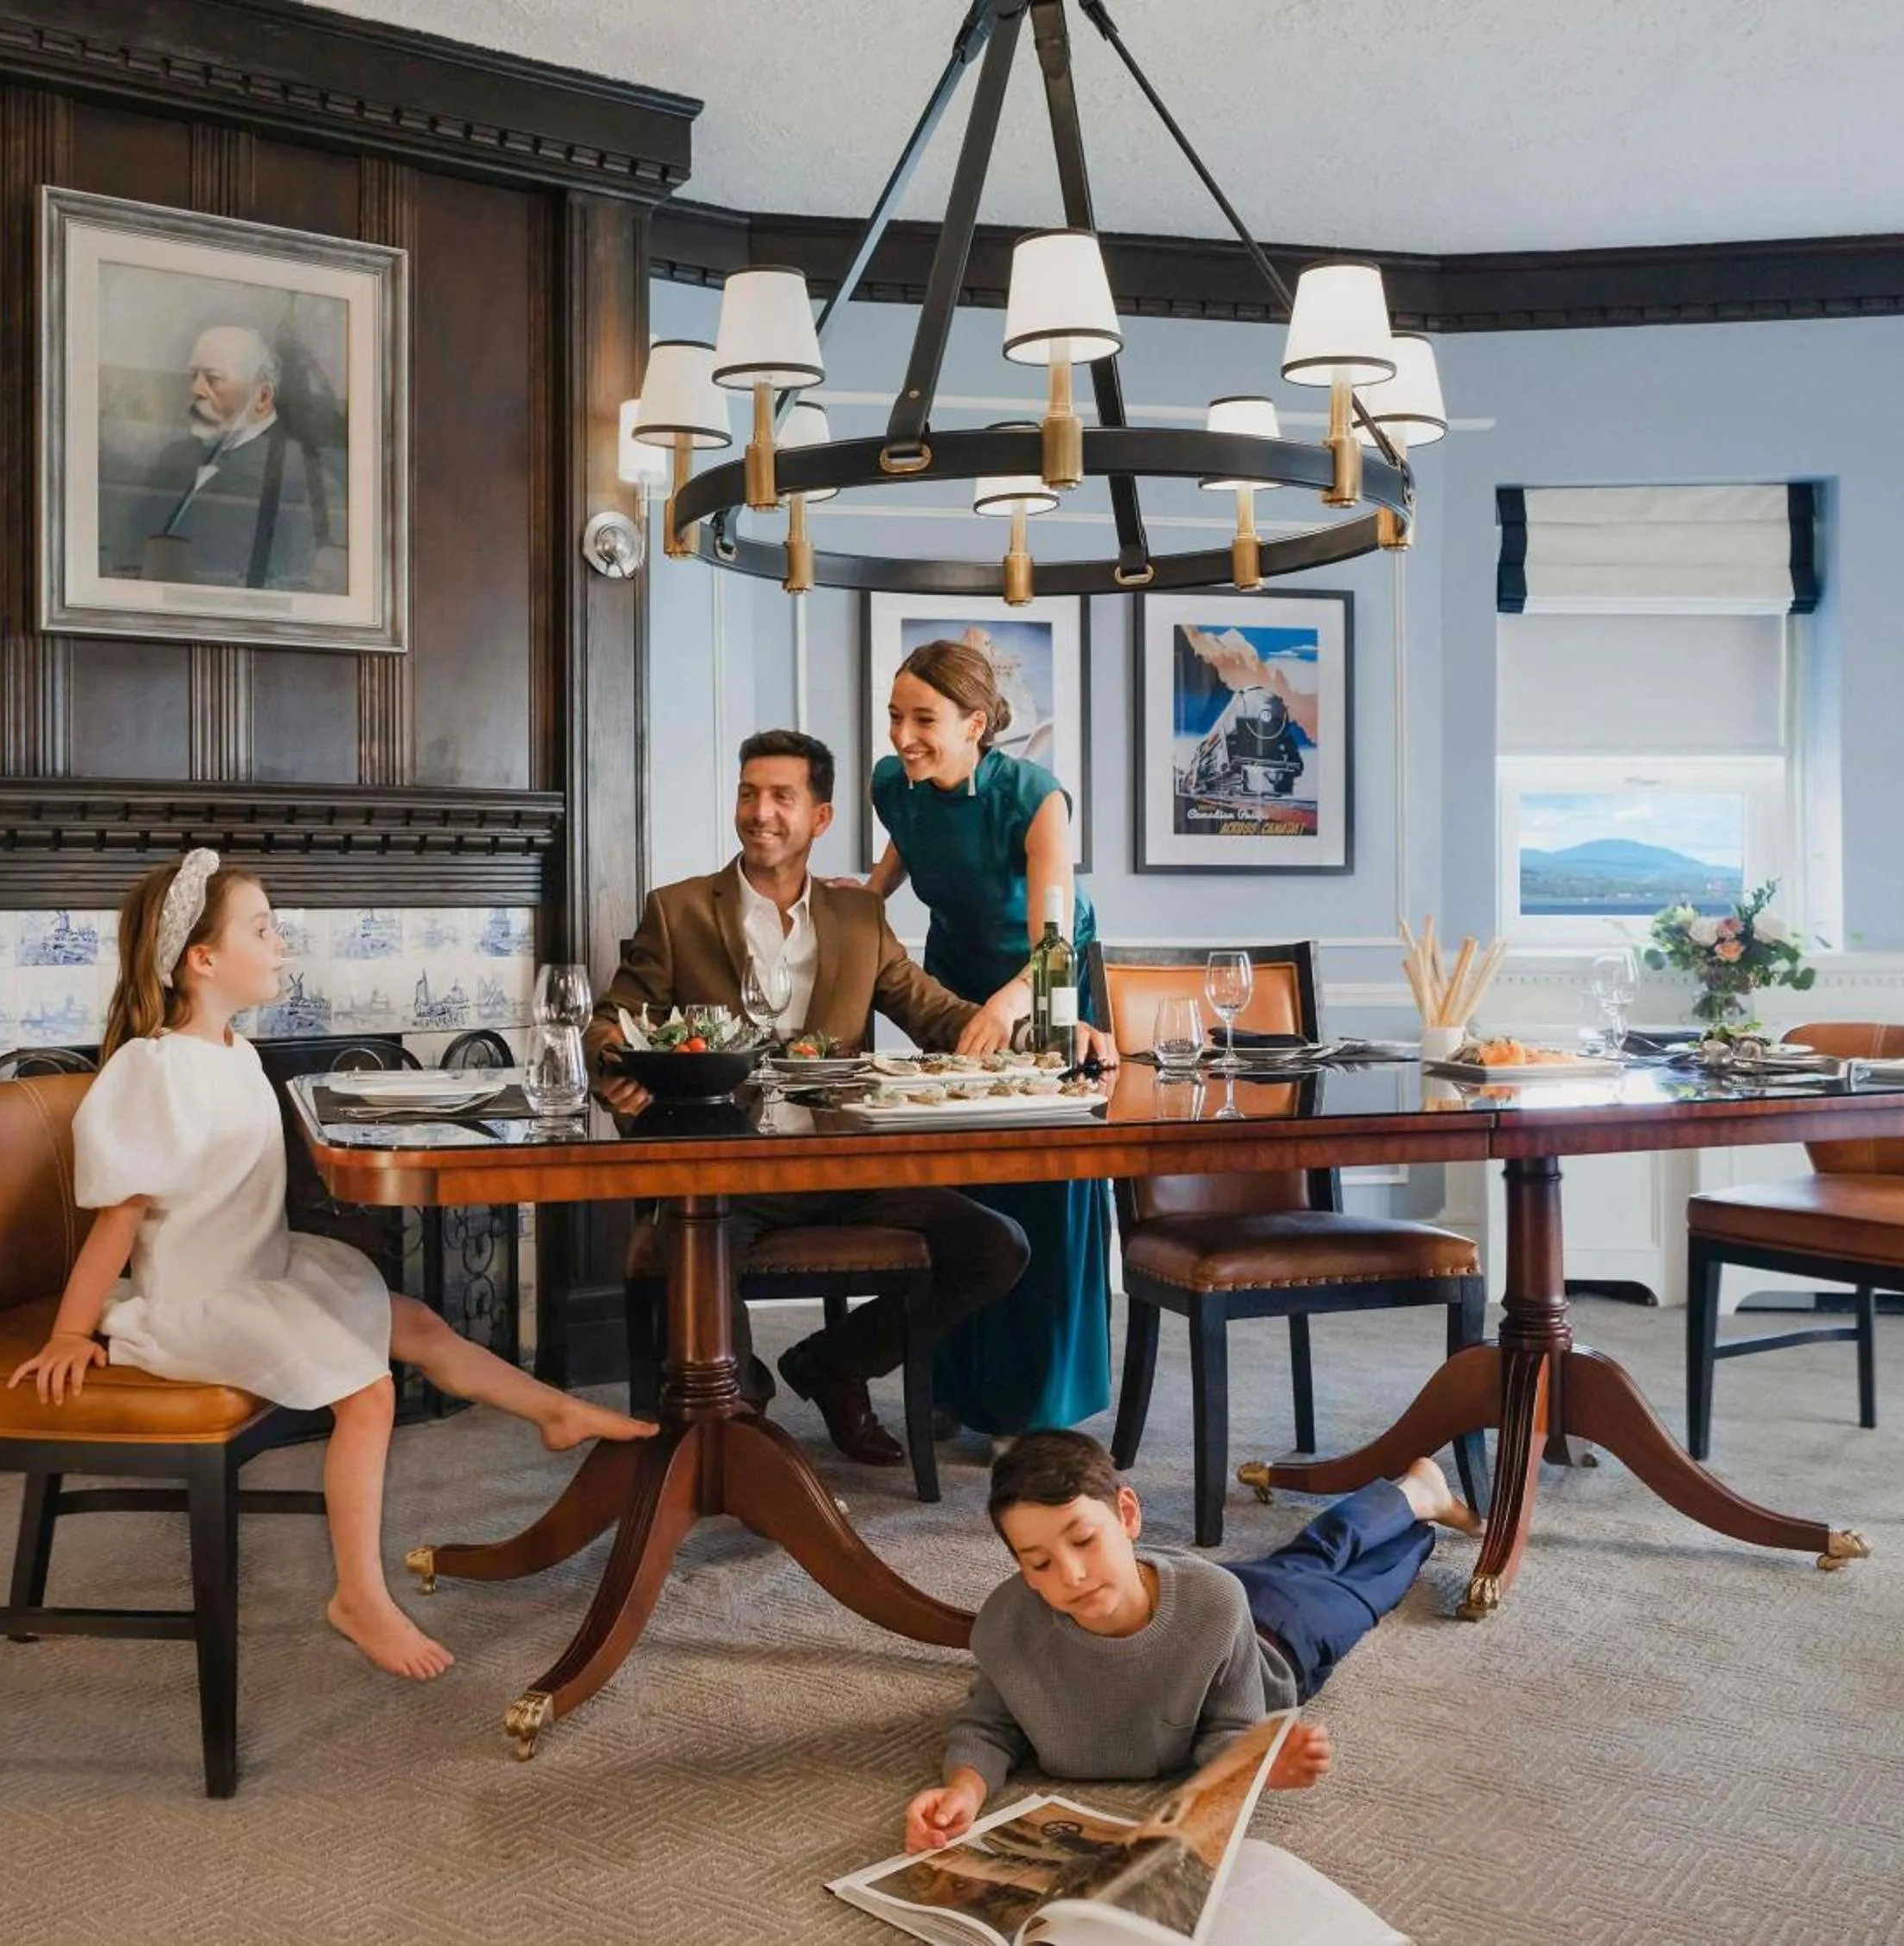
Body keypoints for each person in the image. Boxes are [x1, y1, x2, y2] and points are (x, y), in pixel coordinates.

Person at [8, 850, 655, 1681]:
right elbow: (117, 1223)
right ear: (202, 960)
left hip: (264, 1272)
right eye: (263, 928)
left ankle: (552, 1412)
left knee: (412, 1321)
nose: (282, 941)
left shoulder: (234, 1050)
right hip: (201, 1301)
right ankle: (357, 1595)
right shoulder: (156, 1068)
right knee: (368, 1390)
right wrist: (72, 1328)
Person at [586, 730, 1088, 1465]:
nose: (761, 813)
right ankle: (741, 1407)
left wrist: (1045, 1024)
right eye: (749, 794)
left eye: (782, 797)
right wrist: (616, 1064)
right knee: (689, 1251)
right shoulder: (679, 910)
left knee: (996, 1246)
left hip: (844, 1162)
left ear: (819, 818)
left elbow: (940, 1017)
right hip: (729, 1170)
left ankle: (834, 1364)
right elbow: (610, 1019)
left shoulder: (859, 920)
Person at [902, 1430, 1480, 1852]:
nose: (1071, 1575)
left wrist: (1252, 1765)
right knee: (1308, 1558)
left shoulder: (1213, 1601)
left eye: (1083, 1540)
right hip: (1202, 1600)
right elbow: (990, 1723)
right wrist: (963, 1790)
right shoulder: (1008, 1623)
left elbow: (1230, 1728)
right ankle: (1412, 1493)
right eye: (1040, 1562)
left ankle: (1416, 1503)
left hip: (1277, 1644)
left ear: (1127, 1513)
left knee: (1366, 1581)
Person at [863, 637, 1111, 1437]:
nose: (903, 734)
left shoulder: (1039, 798)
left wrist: (1011, 1006)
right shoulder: (891, 783)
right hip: (954, 972)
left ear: (977, 723)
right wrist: (867, 894)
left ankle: (1033, 1406)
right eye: (896, 716)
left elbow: (1054, 945)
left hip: (1045, 980)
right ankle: (950, 1385)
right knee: (961, 1183)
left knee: (1039, 1181)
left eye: (923, 719)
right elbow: (915, 833)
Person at [120, 323, 343, 591]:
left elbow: (311, 581)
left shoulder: (302, 475)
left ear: (262, 396)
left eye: (213, 379)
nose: (198, 390)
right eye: (194, 376)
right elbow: (131, 547)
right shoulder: (174, 459)